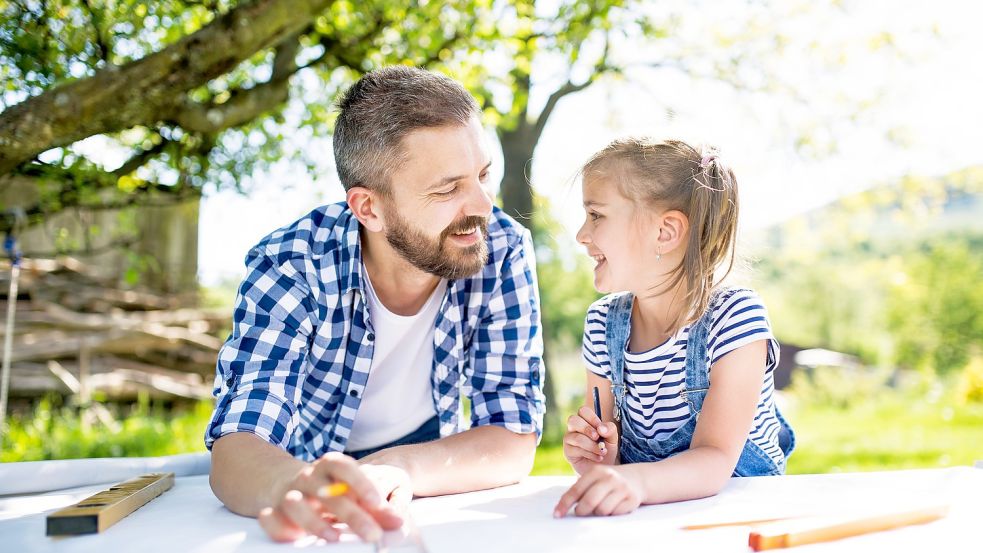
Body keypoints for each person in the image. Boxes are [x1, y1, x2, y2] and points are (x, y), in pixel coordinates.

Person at [205, 66, 545, 543]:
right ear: (368, 209)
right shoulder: (291, 264)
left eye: (484, 175)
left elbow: (512, 437)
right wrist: (296, 485)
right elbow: (238, 445)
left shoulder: (501, 247)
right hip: (306, 460)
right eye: (448, 189)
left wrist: (397, 468)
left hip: (430, 459)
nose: (484, 206)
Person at [553, 138, 794, 518]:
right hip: (651, 523)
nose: (582, 235)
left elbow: (715, 459)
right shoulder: (602, 325)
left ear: (665, 233)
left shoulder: (734, 318)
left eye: (596, 215)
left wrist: (637, 482)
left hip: (737, 519)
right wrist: (601, 459)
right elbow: (610, 456)